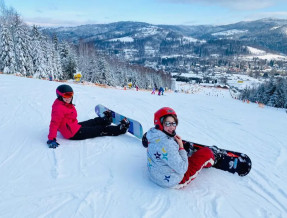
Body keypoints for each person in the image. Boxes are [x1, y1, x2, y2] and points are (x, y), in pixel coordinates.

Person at [142, 107, 216, 188]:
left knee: (174, 140)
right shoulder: (168, 145)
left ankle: (180, 151)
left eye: (174, 123)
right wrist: (181, 148)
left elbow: (149, 142)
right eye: (167, 123)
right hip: (171, 181)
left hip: (154, 175)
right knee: (207, 153)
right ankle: (213, 158)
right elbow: (182, 168)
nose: (172, 127)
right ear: (160, 123)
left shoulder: (151, 133)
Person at [47, 84, 130, 149]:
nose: (68, 98)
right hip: (73, 133)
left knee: (92, 122)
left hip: (73, 126)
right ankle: (120, 129)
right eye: (66, 95)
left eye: (70, 95)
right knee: (100, 130)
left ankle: (105, 120)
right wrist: (51, 139)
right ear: (60, 96)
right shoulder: (59, 108)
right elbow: (54, 123)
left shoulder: (64, 103)